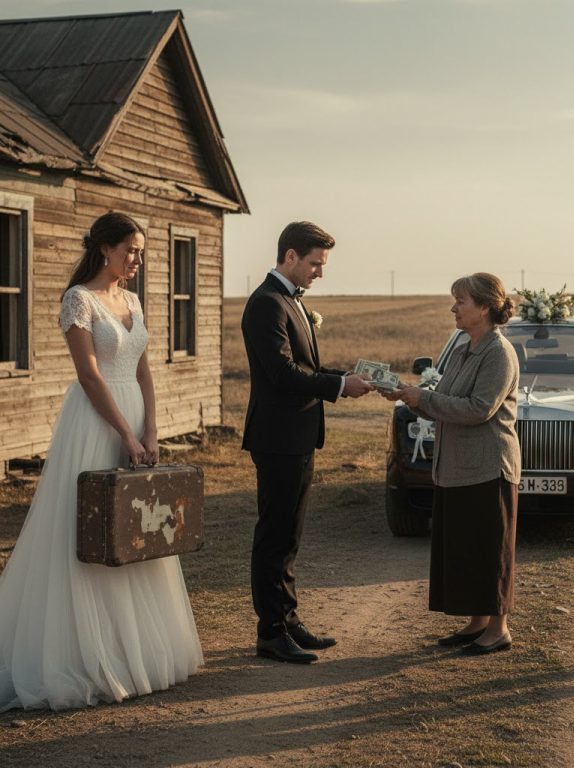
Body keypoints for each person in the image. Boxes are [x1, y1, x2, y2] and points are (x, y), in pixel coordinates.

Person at [0, 212, 202, 711]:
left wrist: (151, 428)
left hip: (135, 415)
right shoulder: (78, 300)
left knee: (141, 527)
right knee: (92, 528)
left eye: (140, 251)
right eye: (130, 250)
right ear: (105, 249)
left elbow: (143, 369)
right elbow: (90, 376)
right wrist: (123, 434)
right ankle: (88, 653)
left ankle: (136, 650)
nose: (137, 259)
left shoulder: (132, 299)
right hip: (96, 422)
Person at [241, 221, 372, 664]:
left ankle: (289, 620)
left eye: (322, 264)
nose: (319, 272)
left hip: (297, 436)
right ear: (290, 256)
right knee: (274, 535)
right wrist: (338, 387)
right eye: (315, 263)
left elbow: (304, 363)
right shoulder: (266, 304)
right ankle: (271, 632)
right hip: (276, 436)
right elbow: (281, 374)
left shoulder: (291, 302)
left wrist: (344, 377)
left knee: (290, 536)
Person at [382, 273, 520, 655]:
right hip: (457, 466)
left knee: (490, 548)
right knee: (466, 546)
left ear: (485, 307)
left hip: (489, 467)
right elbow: (445, 395)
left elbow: (479, 409)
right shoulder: (463, 347)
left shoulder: (499, 352)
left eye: (461, 301)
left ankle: (498, 629)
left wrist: (424, 400)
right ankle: (477, 623)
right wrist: (410, 394)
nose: (453, 308)